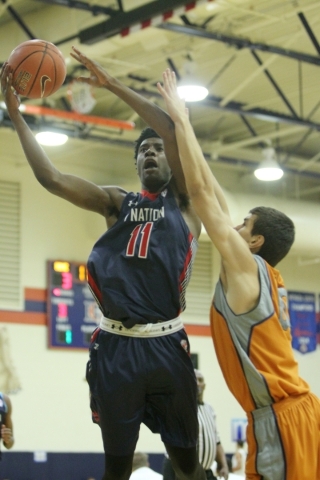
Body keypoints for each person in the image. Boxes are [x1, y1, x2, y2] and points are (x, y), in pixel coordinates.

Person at [0, 55, 205, 480]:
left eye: (157, 150)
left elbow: (169, 129)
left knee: (187, 464)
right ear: (135, 165)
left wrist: (111, 84)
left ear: (171, 161)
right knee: (117, 467)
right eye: (143, 151)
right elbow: (52, 179)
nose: (151, 153)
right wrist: (17, 118)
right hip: (116, 348)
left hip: (168, 343)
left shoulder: (186, 205)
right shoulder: (116, 203)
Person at [157, 69, 320, 480]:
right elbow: (212, 191)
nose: (234, 228)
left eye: (244, 225)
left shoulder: (247, 268)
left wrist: (183, 120)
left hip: (283, 419)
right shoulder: (265, 275)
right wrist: (185, 135)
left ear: (256, 242)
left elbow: (201, 196)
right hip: (284, 416)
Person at [163, 369, 228, 480]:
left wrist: (224, 464)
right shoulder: (179, 406)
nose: (197, 383)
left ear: (204, 385)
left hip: (206, 471)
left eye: (200, 380)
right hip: (182, 473)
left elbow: (216, 441)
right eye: (194, 379)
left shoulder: (209, 408)